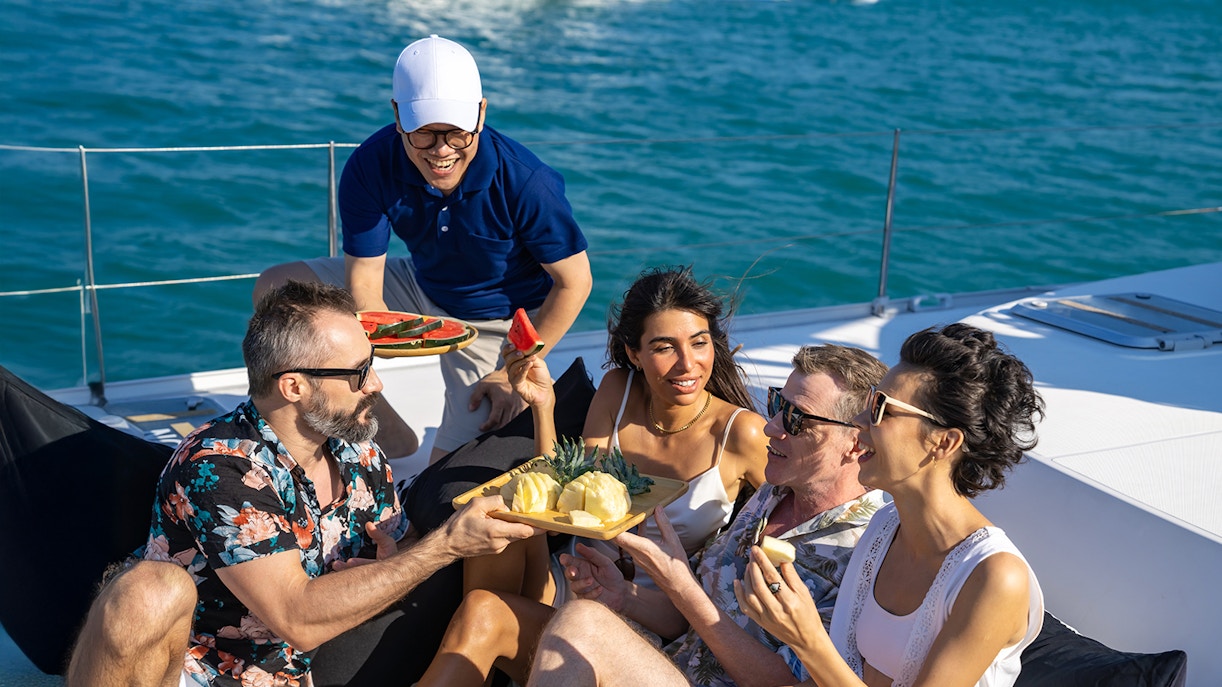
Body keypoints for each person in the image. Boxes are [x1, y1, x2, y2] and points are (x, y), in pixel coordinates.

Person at [65, 280, 539, 687]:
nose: (374, 384)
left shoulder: (358, 449)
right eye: (357, 373)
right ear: (294, 387)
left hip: (301, 670)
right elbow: (297, 618)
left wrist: (400, 554)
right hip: (201, 669)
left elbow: (399, 543)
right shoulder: (222, 467)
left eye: (370, 365)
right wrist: (445, 545)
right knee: (148, 589)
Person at [415, 266, 770, 686]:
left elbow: (788, 519)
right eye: (664, 347)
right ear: (634, 353)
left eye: (699, 342)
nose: (687, 363)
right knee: (494, 530)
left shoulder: (741, 433)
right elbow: (562, 493)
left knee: (484, 613)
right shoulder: (618, 390)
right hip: (569, 582)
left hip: (650, 622)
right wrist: (543, 406)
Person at [253, 35, 592, 463]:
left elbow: (575, 283)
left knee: (445, 483)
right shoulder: (369, 164)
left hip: (499, 323)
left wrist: (510, 371)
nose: (442, 150)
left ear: (481, 114)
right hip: (418, 283)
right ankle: (377, 422)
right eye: (424, 135)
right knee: (277, 286)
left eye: (456, 133)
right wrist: (362, 366)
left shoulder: (528, 181)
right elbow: (366, 289)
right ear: (397, 117)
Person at [521, 343, 890, 687]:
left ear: (856, 442)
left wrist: (681, 584)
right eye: (778, 404)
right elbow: (690, 619)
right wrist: (624, 595)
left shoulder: (866, 549)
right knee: (574, 613)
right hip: (675, 666)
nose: (771, 426)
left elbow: (784, 680)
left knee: (584, 624)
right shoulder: (774, 493)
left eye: (796, 419)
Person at [734, 323, 1046, 687]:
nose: (858, 421)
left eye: (881, 409)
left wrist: (807, 641)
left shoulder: (994, 578)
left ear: (943, 442)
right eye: (868, 402)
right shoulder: (884, 528)